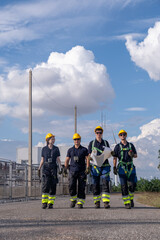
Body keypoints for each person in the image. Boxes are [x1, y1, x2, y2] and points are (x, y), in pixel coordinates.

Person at [112, 129, 137, 209]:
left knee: (133, 185)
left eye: (124, 134)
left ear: (126, 135)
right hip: (122, 167)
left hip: (130, 167)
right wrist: (114, 167)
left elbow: (136, 155)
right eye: (121, 135)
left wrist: (132, 154)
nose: (122, 136)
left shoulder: (131, 145)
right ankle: (127, 203)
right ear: (119, 136)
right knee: (124, 186)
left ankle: (131, 199)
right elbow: (115, 157)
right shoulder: (117, 147)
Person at [64, 133, 89, 209]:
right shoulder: (70, 150)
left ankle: (80, 202)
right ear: (73, 140)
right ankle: (73, 200)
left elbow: (87, 158)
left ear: (80, 140)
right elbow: (67, 159)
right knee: (71, 185)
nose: (76, 141)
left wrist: (88, 167)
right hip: (72, 171)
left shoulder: (84, 149)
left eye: (78, 139)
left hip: (82, 171)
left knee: (81, 187)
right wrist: (65, 169)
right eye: (75, 139)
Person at [88, 126, 111, 209]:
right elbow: (88, 155)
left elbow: (109, 153)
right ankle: (97, 202)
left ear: (102, 133)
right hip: (95, 167)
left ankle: (106, 202)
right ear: (95, 133)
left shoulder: (105, 142)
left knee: (105, 183)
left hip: (105, 165)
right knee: (95, 184)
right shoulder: (92, 143)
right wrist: (88, 166)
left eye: (100, 132)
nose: (99, 134)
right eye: (97, 132)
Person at [38, 133, 62, 209]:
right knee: (45, 186)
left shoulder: (56, 149)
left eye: (54, 139)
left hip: (53, 169)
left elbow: (58, 159)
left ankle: (51, 203)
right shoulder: (44, 149)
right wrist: (39, 168)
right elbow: (42, 159)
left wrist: (60, 168)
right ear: (48, 140)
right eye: (52, 139)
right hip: (46, 169)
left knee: (53, 186)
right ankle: (44, 203)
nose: (53, 140)